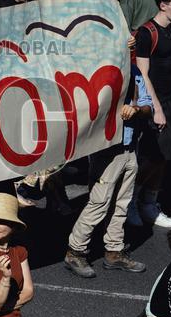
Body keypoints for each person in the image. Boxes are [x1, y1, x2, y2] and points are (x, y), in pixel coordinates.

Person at [64, 60, 151, 277]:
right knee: (99, 202)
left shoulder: (134, 71)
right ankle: (75, 250)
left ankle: (114, 250)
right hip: (107, 148)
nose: (131, 45)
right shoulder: (100, 68)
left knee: (122, 202)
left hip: (130, 146)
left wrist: (137, 109)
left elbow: (148, 106)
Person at [133, 0, 171, 229]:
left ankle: (149, 203)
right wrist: (156, 108)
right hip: (154, 103)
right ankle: (133, 202)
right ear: (163, 5)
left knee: (165, 157)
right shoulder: (147, 33)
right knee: (151, 157)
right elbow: (143, 74)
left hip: (169, 100)